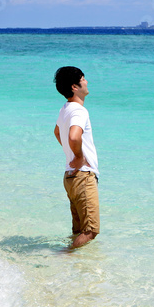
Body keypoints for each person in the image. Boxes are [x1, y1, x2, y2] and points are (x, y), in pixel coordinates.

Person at [53, 66, 100, 249]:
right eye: (83, 78)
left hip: (70, 176)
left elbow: (57, 132)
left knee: (78, 230)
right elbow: (73, 136)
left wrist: (70, 153)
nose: (86, 82)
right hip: (83, 175)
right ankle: (64, 258)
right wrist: (79, 157)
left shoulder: (65, 109)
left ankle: (74, 269)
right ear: (75, 86)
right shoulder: (80, 111)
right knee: (90, 231)